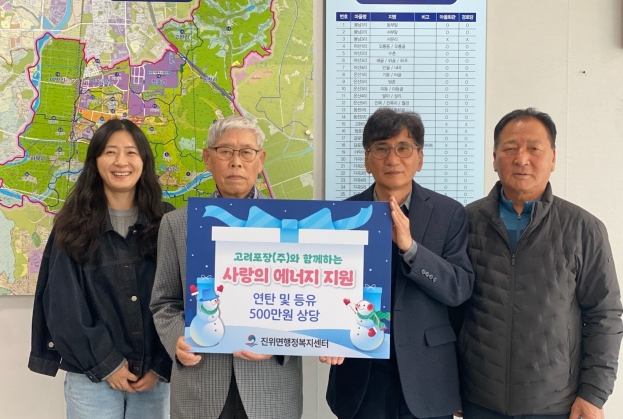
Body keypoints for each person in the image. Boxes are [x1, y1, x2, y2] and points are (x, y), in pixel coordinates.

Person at [459, 108, 623, 419]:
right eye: (510, 148)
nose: (522, 159)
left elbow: (604, 315)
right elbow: (449, 310)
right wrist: (447, 386)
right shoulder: (465, 223)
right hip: (479, 399)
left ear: (553, 158)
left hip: (556, 404)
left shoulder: (584, 228)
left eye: (534, 148)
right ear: (494, 158)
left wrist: (594, 394)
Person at [321, 108, 474, 419]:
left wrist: (410, 248)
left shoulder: (450, 213)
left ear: (419, 158)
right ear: (367, 160)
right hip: (361, 375)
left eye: (403, 148)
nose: (392, 159)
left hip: (427, 375)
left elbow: (458, 289)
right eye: (381, 148)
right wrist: (327, 334)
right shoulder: (341, 215)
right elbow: (324, 288)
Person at [150, 116, 303, 419]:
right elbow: (164, 302)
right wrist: (179, 339)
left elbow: (308, 304)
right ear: (208, 159)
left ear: (261, 160)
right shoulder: (177, 224)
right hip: (200, 388)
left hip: (270, 390)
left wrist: (279, 344)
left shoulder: (292, 225)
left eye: (246, 152)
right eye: (225, 151)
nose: (236, 162)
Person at [29, 118, 173, 419]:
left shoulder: (168, 221)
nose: (121, 162)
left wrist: (161, 365)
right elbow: (63, 306)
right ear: (95, 161)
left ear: (144, 161)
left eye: (131, 152)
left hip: (154, 379)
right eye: (110, 152)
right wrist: (107, 364)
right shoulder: (72, 224)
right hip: (91, 377)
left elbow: (180, 298)